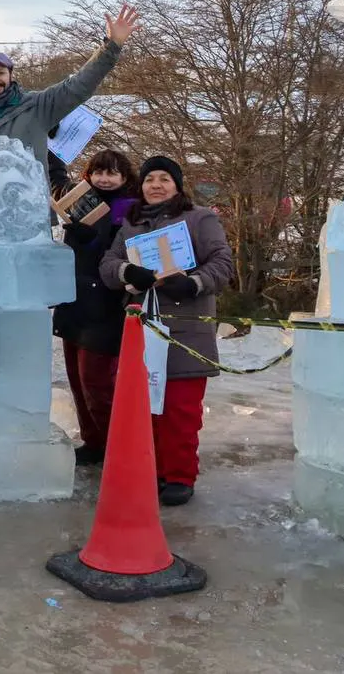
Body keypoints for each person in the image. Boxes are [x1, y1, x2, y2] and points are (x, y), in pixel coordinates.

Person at [99, 155, 233, 506]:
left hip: (185, 332)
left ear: (177, 185)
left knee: (181, 410)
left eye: (164, 179)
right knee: (146, 409)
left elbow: (222, 263)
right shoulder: (130, 224)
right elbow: (108, 264)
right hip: (142, 331)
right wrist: (128, 272)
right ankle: (152, 470)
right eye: (149, 180)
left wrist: (192, 283)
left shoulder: (200, 219)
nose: (155, 185)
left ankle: (179, 475)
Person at [0, 5, 141, 163]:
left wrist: (111, 46)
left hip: (27, 215)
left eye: (1, 72)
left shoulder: (37, 107)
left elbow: (79, 86)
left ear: (10, 75)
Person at [52, 150, 141, 466]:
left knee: (97, 383)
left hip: (105, 306)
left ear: (125, 178)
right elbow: (55, 177)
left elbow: (120, 255)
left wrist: (92, 240)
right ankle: (93, 441)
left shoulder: (130, 210)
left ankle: (115, 444)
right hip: (74, 301)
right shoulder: (79, 201)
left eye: (112, 173)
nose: (104, 178)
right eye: (98, 172)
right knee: (76, 380)